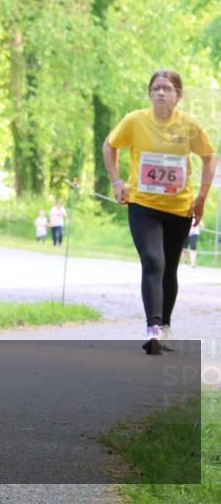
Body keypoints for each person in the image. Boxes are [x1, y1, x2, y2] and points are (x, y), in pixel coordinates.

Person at [102, 69, 215, 355]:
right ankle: (153, 327)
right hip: (143, 206)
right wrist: (117, 181)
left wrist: (201, 196)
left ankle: (164, 326)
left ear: (178, 95)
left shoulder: (189, 126)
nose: (161, 92)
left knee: (170, 270)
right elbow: (110, 145)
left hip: (179, 208)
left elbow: (209, 156)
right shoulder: (135, 121)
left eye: (167, 88)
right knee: (154, 261)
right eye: (156, 88)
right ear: (149, 93)